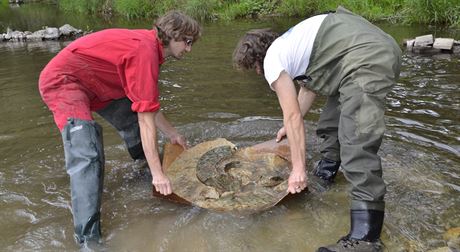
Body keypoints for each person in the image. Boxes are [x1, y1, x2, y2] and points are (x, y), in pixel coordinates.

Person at [233, 6, 401, 252]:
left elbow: (291, 115)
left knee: (356, 139)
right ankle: (326, 176)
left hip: (366, 60)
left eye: (254, 70)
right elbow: (308, 90)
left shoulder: (271, 60)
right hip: (361, 55)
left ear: (256, 61)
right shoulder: (294, 44)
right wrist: (287, 129)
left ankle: (366, 238)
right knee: (330, 125)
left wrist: (298, 170)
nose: (258, 74)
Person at [38, 11, 201, 246]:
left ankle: (144, 170)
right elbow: (147, 119)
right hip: (65, 82)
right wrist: (159, 173)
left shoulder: (152, 52)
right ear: (173, 35)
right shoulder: (144, 51)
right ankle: (88, 239)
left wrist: (172, 133)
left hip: (101, 85)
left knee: (134, 121)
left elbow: (147, 105)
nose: (189, 49)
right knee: (88, 154)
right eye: (187, 42)